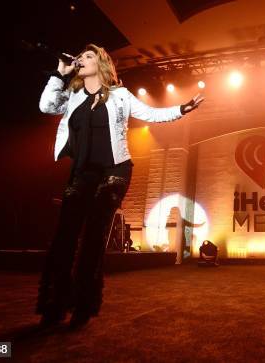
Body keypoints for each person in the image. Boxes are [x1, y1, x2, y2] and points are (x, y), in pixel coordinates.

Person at [36, 44, 204, 329]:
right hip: (81, 172)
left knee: (93, 238)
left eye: (88, 56)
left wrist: (181, 109)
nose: (80, 59)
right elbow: (46, 106)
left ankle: (84, 307)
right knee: (64, 237)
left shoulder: (120, 96)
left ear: (101, 64)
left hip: (114, 172)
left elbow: (151, 114)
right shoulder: (73, 96)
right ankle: (55, 305)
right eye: (79, 57)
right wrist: (59, 73)